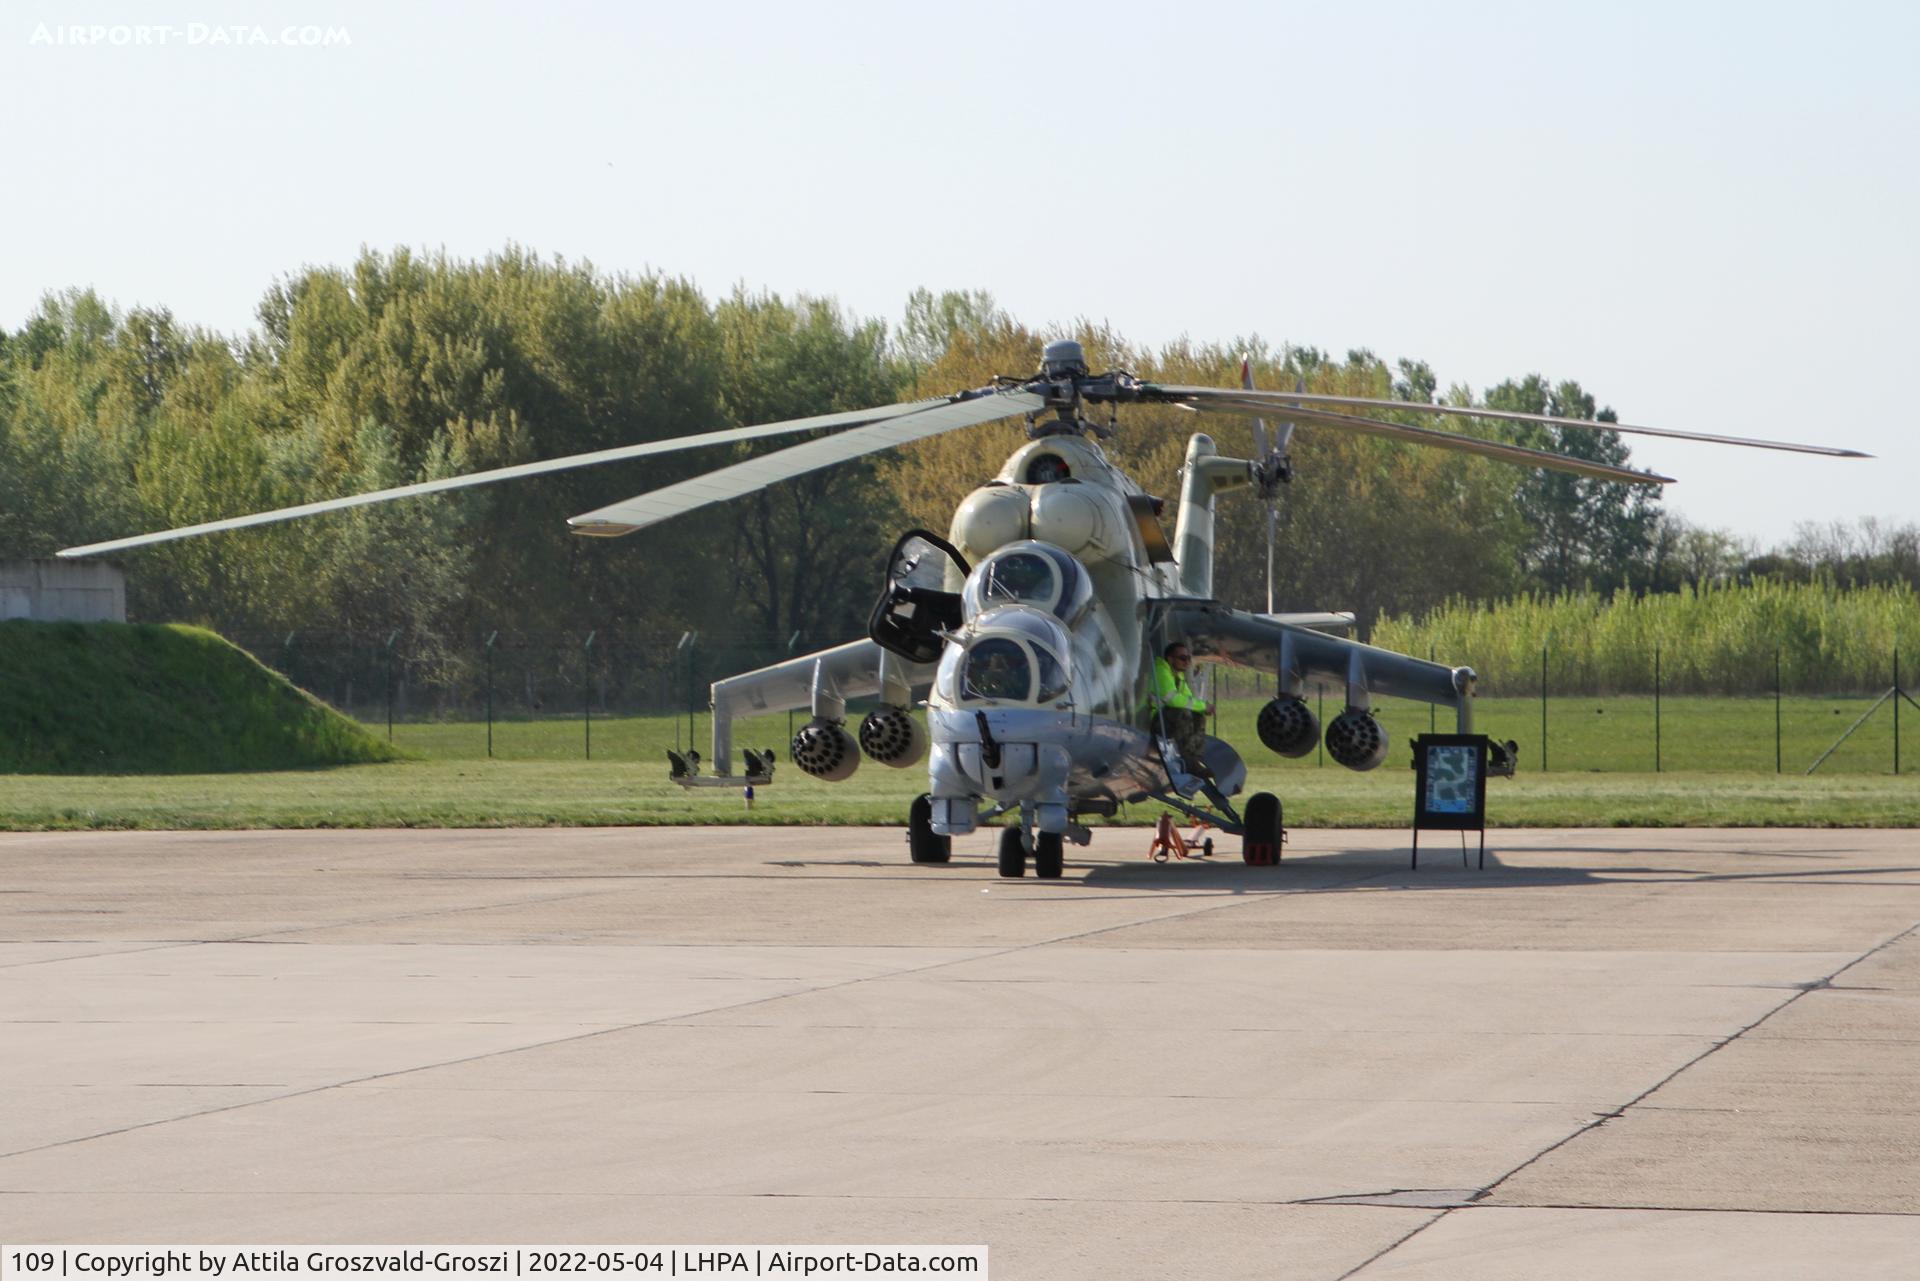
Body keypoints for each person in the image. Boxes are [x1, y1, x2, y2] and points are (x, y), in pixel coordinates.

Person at [1152, 641, 1212, 786]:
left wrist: (1202, 709)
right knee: (1183, 713)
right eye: (1183, 658)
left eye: (1188, 658)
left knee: (1198, 715)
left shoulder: (1178, 677)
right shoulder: (1161, 671)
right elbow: (1172, 700)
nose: (1187, 662)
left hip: (1167, 720)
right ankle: (1187, 761)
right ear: (1171, 659)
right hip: (1155, 719)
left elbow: (1189, 699)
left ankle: (1194, 760)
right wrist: (1203, 705)